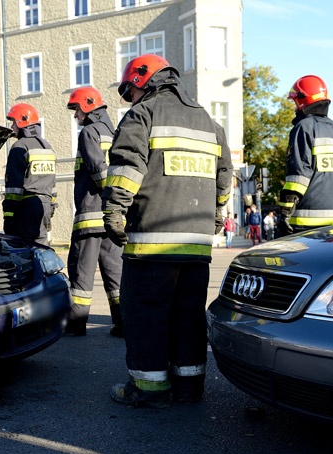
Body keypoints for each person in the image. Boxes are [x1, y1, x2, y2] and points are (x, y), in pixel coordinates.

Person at [102, 53, 233, 408]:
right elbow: (225, 178)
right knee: (188, 317)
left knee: (147, 315)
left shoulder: (143, 114)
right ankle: (189, 389)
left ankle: (149, 390)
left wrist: (114, 211)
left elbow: (127, 168)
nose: (131, 99)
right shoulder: (209, 122)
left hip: (151, 246)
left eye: (130, 91)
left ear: (142, 80)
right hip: (196, 246)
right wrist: (217, 215)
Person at [65, 86, 124, 337]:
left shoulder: (89, 131)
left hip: (90, 215)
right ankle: (123, 323)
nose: (76, 115)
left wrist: (105, 191)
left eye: (77, 109)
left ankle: (76, 324)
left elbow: (98, 169)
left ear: (88, 106)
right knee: (115, 274)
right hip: (111, 216)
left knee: (81, 272)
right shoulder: (115, 132)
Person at [277, 75, 333, 235]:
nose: (295, 107)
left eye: (295, 102)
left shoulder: (303, 128)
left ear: (302, 100)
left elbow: (298, 175)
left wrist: (284, 211)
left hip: (305, 223)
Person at [3, 103, 57, 245]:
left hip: (25, 208)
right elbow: (53, 184)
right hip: (44, 206)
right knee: (41, 247)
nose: (11, 127)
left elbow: (14, 186)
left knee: (23, 250)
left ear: (22, 122)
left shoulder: (19, 147)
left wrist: (8, 215)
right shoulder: (47, 147)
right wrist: (50, 209)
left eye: (13, 122)